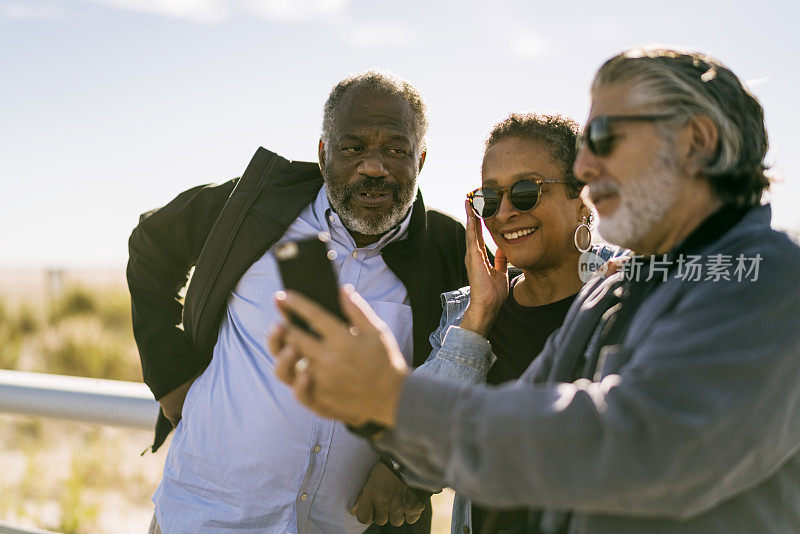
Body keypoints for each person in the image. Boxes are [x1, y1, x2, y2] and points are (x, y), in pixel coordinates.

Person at [269, 47, 800, 533]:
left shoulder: (764, 276)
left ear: (697, 143)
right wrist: (367, 398)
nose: (587, 169)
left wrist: (395, 397)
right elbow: (496, 441)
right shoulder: (613, 292)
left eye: (604, 140)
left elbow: (636, 448)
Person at [126, 70, 468, 533]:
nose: (374, 166)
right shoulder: (250, 208)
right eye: (353, 148)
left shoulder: (449, 250)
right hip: (207, 516)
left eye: (395, 149)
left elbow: (466, 372)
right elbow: (151, 244)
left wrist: (412, 473)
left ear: (420, 159)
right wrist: (169, 374)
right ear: (324, 154)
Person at [403, 112, 621, 533]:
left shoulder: (635, 299)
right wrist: (478, 318)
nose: (502, 213)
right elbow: (418, 458)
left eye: (525, 192)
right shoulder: (467, 316)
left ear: (583, 199)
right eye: (488, 197)